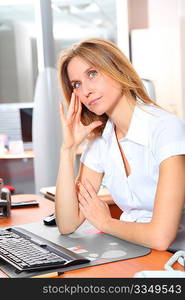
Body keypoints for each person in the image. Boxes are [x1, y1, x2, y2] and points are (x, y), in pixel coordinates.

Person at [55, 37, 185, 252]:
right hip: (135, 250)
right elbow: (67, 224)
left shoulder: (166, 129)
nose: (85, 90)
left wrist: (105, 223)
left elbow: (160, 237)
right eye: (76, 84)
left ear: (117, 70)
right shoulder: (100, 139)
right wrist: (67, 150)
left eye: (92, 74)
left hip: (173, 260)